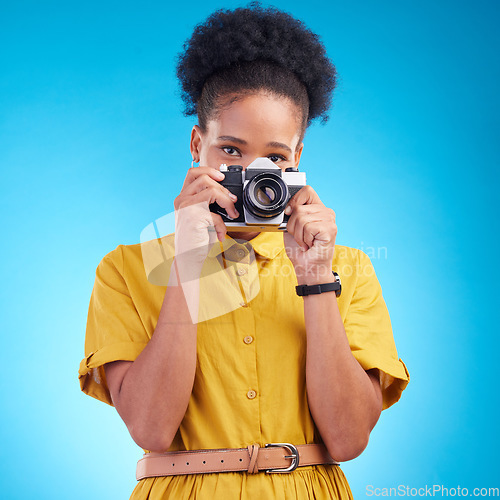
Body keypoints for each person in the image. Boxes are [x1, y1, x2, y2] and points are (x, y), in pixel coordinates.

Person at [78, 4, 410, 499]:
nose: (253, 176)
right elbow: (150, 429)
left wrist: (316, 278)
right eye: (231, 151)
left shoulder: (349, 268)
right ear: (197, 144)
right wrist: (187, 265)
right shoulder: (125, 270)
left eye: (274, 158)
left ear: (297, 160)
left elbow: (347, 438)